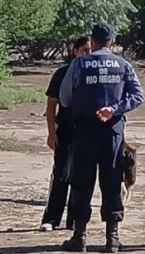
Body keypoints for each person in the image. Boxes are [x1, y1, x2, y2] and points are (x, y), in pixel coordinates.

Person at [59, 23, 145, 253]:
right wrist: (115, 108)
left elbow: (65, 98)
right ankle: (112, 240)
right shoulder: (123, 65)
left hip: (85, 131)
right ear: (113, 43)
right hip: (113, 132)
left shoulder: (78, 64)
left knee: (81, 182)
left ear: (92, 41)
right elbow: (138, 95)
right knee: (112, 181)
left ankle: (79, 237)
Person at [40, 36, 92, 232]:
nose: (87, 54)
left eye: (90, 50)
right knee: (61, 174)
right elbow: (52, 104)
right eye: (84, 50)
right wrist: (51, 132)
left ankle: (74, 220)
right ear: (75, 51)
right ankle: (51, 218)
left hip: (88, 132)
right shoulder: (62, 73)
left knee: (82, 176)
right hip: (67, 130)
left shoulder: (94, 73)